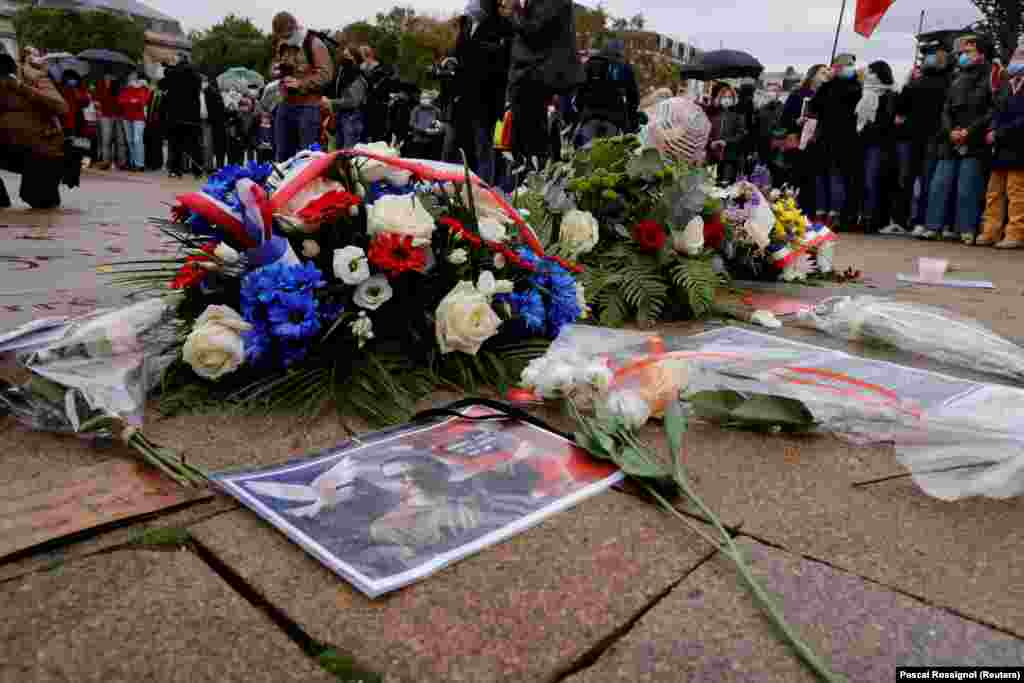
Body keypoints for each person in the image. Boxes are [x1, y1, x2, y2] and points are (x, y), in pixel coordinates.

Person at [921, 34, 994, 243]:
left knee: (967, 187)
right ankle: (933, 227)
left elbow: (992, 109)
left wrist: (970, 131)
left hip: (974, 138)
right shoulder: (956, 76)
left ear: (981, 53)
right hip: (951, 139)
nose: (963, 56)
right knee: (939, 185)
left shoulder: (991, 75)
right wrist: (950, 130)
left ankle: (966, 229)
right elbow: (945, 108)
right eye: (961, 52)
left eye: (968, 51)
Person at [506, 0, 581, 169]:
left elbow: (533, 31)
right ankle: (530, 169)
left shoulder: (552, 4)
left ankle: (532, 173)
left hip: (536, 75)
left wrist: (515, 10)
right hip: (534, 75)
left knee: (531, 138)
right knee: (529, 135)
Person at [898, 42, 955, 237]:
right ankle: (911, 219)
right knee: (911, 180)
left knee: (929, 181)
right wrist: (909, 84)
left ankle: (924, 220)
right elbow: (901, 108)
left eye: (933, 55)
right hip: (915, 137)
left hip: (936, 137)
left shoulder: (948, 81)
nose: (929, 59)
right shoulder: (917, 81)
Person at [0, 52, 69, 208]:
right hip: (14, 146)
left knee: (38, 199)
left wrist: (20, 87)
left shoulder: (36, 78)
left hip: (43, 149)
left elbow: (61, 107)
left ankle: (45, 187)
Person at [451, 0, 509, 183]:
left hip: (488, 100)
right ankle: (468, 184)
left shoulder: (501, 26)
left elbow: (502, 57)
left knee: (485, 148)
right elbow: (460, 54)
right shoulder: (469, 27)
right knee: (468, 147)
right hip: (468, 98)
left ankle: (485, 187)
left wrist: (473, 47)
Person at [807, 53, 863, 229]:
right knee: (821, 176)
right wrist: (825, 84)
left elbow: (852, 99)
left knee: (836, 176)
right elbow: (814, 105)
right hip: (824, 137)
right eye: (846, 64)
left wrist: (834, 84)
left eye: (851, 64)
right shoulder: (828, 86)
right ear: (836, 67)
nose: (850, 67)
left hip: (844, 139)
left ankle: (835, 213)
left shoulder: (854, 87)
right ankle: (821, 211)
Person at [977, 46, 1024, 248]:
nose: (1016, 60)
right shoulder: (1007, 85)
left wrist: (999, 132)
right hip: (1001, 147)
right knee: (993, 192)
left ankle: (1015, 233)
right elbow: (997, 111)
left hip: (1020, 147)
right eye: (1016, 55)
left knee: (1017, 194)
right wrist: (993, 129)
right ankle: (991, 231)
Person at [271, 11, 333, 161]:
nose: (284, 40)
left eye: (286, 36)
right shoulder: (282, 45)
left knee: (308, 156)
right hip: (285, 104)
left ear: (295, 27)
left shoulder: (314, 43)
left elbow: (326, 75)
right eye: (281, 37)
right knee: (282, 156)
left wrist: (300, 83)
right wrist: (275, 70)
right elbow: (276, 64)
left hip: (308, 106)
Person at [572, 37, 639, 147]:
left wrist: (582, 111)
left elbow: (579, 92)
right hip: (614, 120)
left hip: (590, 117)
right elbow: (633, 98)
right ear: (620, 52)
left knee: (585, 154)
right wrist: (630, 122)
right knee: (608, 155)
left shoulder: (589, 64)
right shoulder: (624, 67)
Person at [856, 61, 897, 233]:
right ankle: (862, 216)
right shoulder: (864, 93)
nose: (868, 74)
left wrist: (867, 128)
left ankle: (871, 219)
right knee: (863, 182)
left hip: (878, 146)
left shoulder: (889, 95)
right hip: (863, 144)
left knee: (871, 182)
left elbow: (886, 123)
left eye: (871, 71)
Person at [162, 55, 204, 178]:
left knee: (175, 145)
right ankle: (198, 169)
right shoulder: (196, 76)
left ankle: (175, 170)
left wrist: (167, 68)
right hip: (192, 116)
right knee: (194, 144)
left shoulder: (173, 73)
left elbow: (163, 84)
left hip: (175, 115)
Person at [705, 83, 747, 185]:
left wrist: (726, 142)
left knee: (725, 186)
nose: (726, 99)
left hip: (729, 157)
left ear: (733, 99)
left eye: (729, 97)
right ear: (719, 98)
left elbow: (741, 134)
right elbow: (706, 132)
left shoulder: (738, 115)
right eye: (724, 97)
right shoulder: (713, 113)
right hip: (713, 156)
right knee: (710, 184)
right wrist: (710, 142)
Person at [329, 43, 367, 149]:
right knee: (338, 153)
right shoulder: (343, 75)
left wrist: (331, 102)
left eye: (347, 56)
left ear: (355, 59)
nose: (344, 58)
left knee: (349, 154)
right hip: (341, 116)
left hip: (352, 118)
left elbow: (353, 102)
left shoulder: (357, 77)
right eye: (343, 55)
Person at [359, 45, 397, 144]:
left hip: (377, 106)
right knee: (366, 133)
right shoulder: (361, 68)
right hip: (366, 105)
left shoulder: (382, 70)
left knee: (376, 134)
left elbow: (386, 88)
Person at [117, 71, 151, 172]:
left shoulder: (143, 87)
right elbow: (120, 101)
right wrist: (132, 100)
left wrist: (131, 100)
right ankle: (133, 162)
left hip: (139, 117)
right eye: (130, 76)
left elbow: (143, 101)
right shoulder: (126, 89)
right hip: (126, 117)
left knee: (137, 140)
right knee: (130, 141)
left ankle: (140, 164)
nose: (131, 78)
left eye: (133, 76)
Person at [93, 72, 122, 170]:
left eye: (109, 76)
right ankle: (106, 161)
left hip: (117, 115)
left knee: (119, 140)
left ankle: (121, 162)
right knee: (106, 139)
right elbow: (97, 99)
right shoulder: (99, 85)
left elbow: (119, 99)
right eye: (106, 77)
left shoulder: (117, 84)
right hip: (105, 115)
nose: (108, 78)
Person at [199, 76, 227, 172]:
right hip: (201, 121)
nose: (202, 83)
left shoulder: (213, 92)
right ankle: (206, 165)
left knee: (209, 145)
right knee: (204, 145)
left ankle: (210, 166)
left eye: (204, 81)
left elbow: (218, 109)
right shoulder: (199, 92)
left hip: (211, 122)